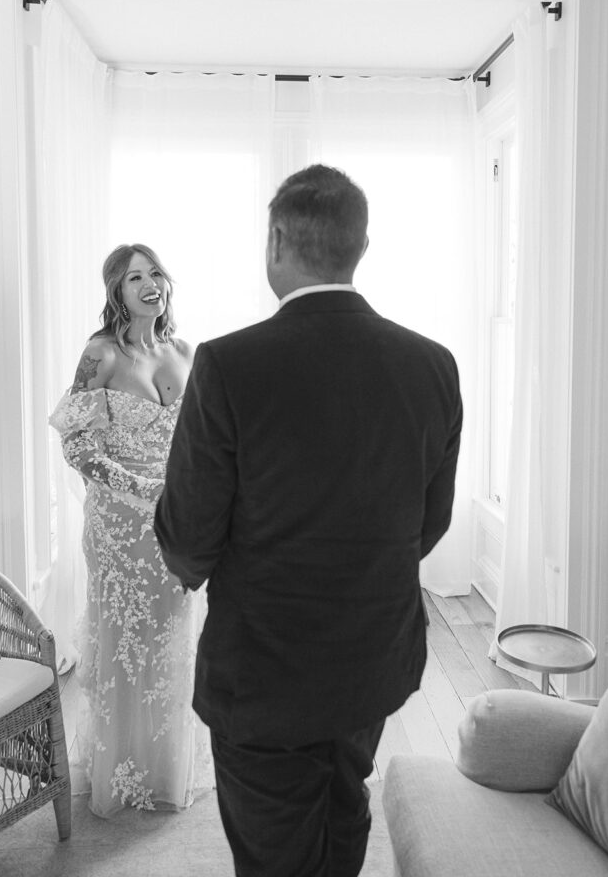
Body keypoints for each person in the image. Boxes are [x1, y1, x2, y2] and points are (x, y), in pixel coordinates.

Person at [154, 166, 462, 877]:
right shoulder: (432, 364)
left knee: (272, 847)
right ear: (359, 245)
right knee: (342, 797)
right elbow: (430, 521)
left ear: (276, 242)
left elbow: (190, 542)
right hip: (373, 657)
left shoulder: (229, 365)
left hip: (265, 671)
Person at [50, 243, 212, 817]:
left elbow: (199, 439)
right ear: (116, 291)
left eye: (156, 273)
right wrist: (143, 490)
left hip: (177, 521)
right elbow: (77, 446)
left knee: (171, 640)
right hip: (120, 523)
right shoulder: (102, 354)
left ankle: (166, 771)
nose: (150, 283)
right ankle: (118, 774)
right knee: (124, 641)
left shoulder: (185, 351)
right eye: (133, 277)